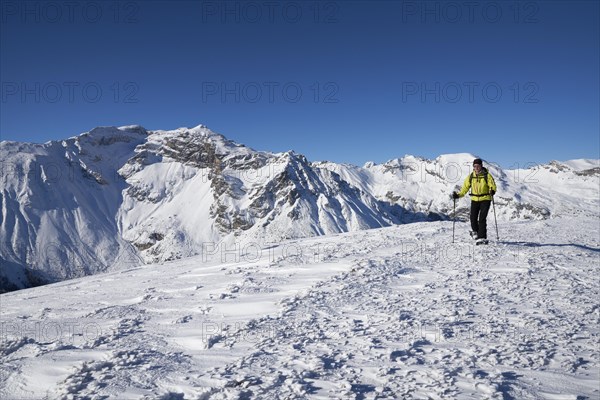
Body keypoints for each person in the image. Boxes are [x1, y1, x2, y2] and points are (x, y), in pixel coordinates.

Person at [452, 158, 497, 244]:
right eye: (475, 166)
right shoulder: (471, 177)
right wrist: (458, 195)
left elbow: (492, 185)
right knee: (473, 218)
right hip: (474, 199)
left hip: (485, 199)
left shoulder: (487, 176)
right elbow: (465, 188)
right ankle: (475, 232)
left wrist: (492, 191)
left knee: (482, 219)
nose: (476, 167)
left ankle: (482, 237)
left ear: (481, 166)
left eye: (478, 166)